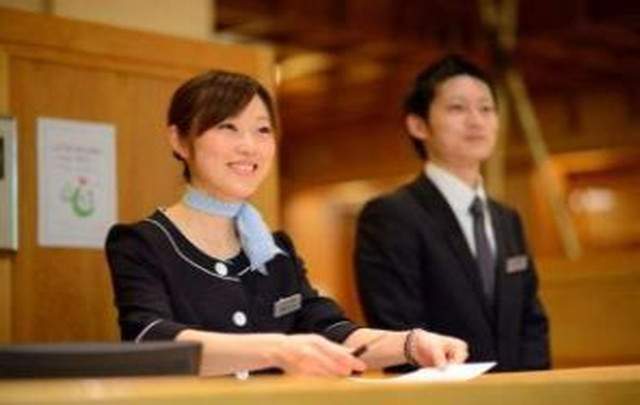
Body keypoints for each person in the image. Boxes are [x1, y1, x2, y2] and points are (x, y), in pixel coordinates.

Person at [105, 70, 468, 377]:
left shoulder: (275, 250)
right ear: (180, 140)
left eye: (262, 130)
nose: (249, 146)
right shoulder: (142, 242)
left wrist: (411, 344)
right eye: (228, 126)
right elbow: (150, 338)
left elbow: (331, 331)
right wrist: (277, 349)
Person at [354, 55, 550, 372]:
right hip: (439, 392)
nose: (476, 120)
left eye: (486, 108)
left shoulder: (507, 219)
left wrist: (536, 390)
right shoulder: (391, 216)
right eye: (458, 108)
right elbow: (397, 329)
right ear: (418, 125)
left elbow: (532, 322)